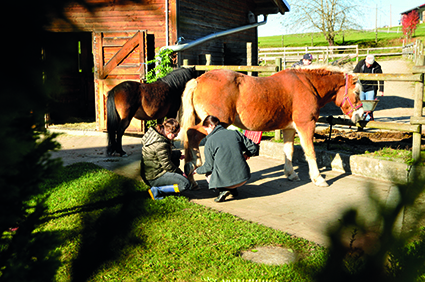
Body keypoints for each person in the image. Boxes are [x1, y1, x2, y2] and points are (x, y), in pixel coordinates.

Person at [191, 115, 259, 202]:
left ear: (211, 126)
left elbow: (208, 166)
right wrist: (247, 154)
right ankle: (233, 189)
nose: (206, 133)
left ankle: (224, 189)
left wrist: (196, 171)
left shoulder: (210, 141)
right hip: (243, 177)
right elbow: (254, 147)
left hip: (225, 180)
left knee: (208, 174)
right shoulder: (235, 133)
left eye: (206, 129)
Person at [140, 118, 191, 200]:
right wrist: (181, 173)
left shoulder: (155, 135)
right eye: (175, 135)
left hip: (148, 174)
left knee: (175, 159)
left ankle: (164, 186)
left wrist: (177, 154)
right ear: (168, 132)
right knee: (185, 184)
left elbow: (159, 155)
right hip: (154, 177)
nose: (176, 137)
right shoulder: (160, 144)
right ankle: (157, 190)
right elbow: (167, 165)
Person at [353, 54, 384, 121]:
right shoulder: (361, 64)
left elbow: (381, 78)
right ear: (365, 61)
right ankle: (361, 119)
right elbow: (354, 73)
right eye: (368, 63)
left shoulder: (377, 66)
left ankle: (367, 119)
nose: (368, 65)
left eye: (370, 64)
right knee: (360, 105)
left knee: (369, 106)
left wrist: (381, 89)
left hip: (371, 88)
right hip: (361, 87)